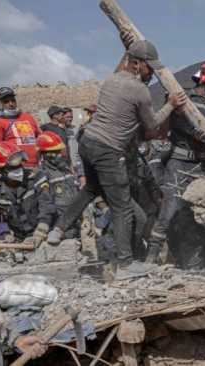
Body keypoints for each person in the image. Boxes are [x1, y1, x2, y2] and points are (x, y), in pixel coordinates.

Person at [46, 39, 186, 275]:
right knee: (123, 208)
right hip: (108, 150)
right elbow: (152, 124)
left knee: (91, 189)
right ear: (137, 64)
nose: (151, 72)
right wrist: (171, 105)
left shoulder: (110, 80)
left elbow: (122, 66)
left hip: (87, 143)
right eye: (149, 67)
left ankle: (58, 228)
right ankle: (125, 264)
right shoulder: (139, 90)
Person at [145, 57, 205, 264]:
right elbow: (175, 127)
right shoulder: (183, 100)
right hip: (180, 163)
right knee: (170, 211)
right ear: (204, 83)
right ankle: (150, 260)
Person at [0, 142, 50, 244]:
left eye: (20, 165)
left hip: (44, 234)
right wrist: (3, 232)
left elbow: (47, 205)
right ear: (1, 170)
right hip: (18, 240)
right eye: (13, 168)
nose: (19, 170)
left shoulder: (36, 177)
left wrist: (42, 229)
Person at [34, 131, 81, 239]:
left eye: (59, 150)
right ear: (44, 154)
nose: (60, 154)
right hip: (59, 226)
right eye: (55, 151)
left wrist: (85, 217)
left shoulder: (66, 169)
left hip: (75, 221)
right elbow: (45, 203)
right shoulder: (42, 174)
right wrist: (43, 227)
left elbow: (78, 194)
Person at [0, 87, 42, 168]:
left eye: (13, 100)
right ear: (0, 103)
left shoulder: (28, 117)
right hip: (16, 168)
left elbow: (40, 137)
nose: (11, 103)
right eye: (6, 101)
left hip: (36, 165)